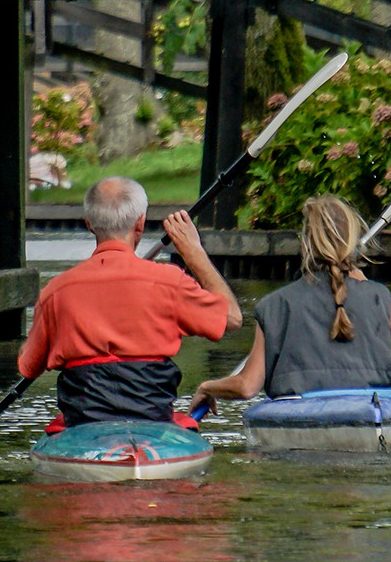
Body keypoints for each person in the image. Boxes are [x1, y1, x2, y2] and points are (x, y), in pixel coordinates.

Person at [17, 176, 242, 431]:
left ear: (89, 225)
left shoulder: (55, 292)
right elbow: (233, 318)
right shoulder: (170, 282)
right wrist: (194, 253)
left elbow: (28, 367)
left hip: (83, 423)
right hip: (152, 418)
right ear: (140, 224)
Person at [195, 195, 391, 405]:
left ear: (306, 244)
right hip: (373, 412)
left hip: (305, 415)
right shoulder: (376, 295)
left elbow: (246, 387)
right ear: (351, 243)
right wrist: (355, 271)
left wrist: (207, 387)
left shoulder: (274, 305)